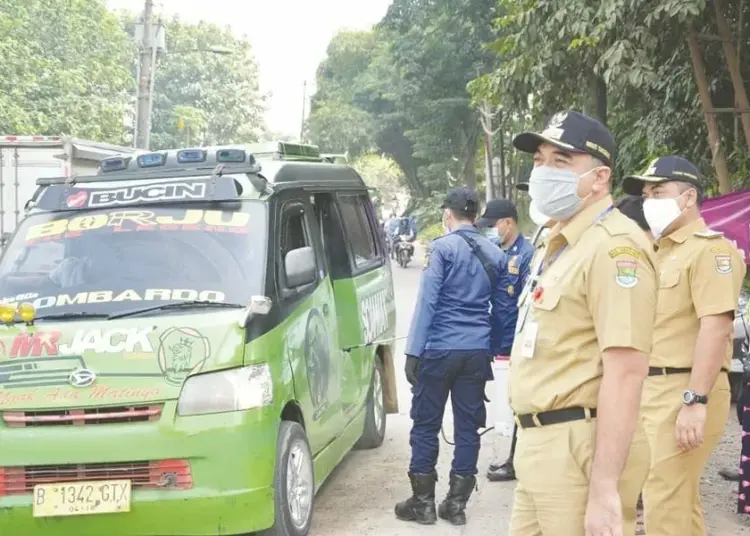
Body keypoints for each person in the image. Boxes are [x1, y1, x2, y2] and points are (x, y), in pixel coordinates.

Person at [507, 110, 656, 536]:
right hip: (540, 443)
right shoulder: (561, 243)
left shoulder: (615, 249)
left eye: (560, 161)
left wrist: (605, 487)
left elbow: (626, 373)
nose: (542, 172)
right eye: (538, 160)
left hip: (579, 446)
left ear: (599, 178)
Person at [622, 155, 746, 535]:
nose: (648, 201)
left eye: (658, 191)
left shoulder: (710, 250)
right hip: (651, 388)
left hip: (683, 389)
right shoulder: (659, 252)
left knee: (664, 502)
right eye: (645, 194)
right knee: (673, 499)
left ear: (688, 197)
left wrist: (696, 400)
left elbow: (716, 327)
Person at [395, 187, 514, 526]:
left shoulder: (442, 248)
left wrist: (412, 351)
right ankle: (456, 505)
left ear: (448, 215)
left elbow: (427, 303)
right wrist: (489, 348)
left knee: (426, 424)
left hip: (439, 350)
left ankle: (423, 503)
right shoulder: (495, 253)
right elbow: (502, 310)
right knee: (467, 428)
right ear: (475, 216)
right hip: (475, 353)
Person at [475, 197, 535, 482]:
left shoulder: (526, 255)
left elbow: (528, 306)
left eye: (493, 224)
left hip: (516, 343)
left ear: (508, 223)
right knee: (505, 406)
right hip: (496, 342)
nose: (490, 230)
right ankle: (512, 459)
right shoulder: (493, 252)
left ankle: (515, 462)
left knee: (517, 405)